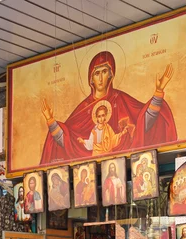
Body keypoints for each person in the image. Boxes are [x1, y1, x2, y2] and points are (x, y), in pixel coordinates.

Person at [41, 51, 176, 164]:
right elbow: (69, 142)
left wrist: (158, 93)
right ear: (91, 78)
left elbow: (142, 124)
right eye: (96, 73)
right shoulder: (83, 108)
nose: (100, 78)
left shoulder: (121, 99)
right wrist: (50, 121)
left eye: (104, 71)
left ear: (111, 75)